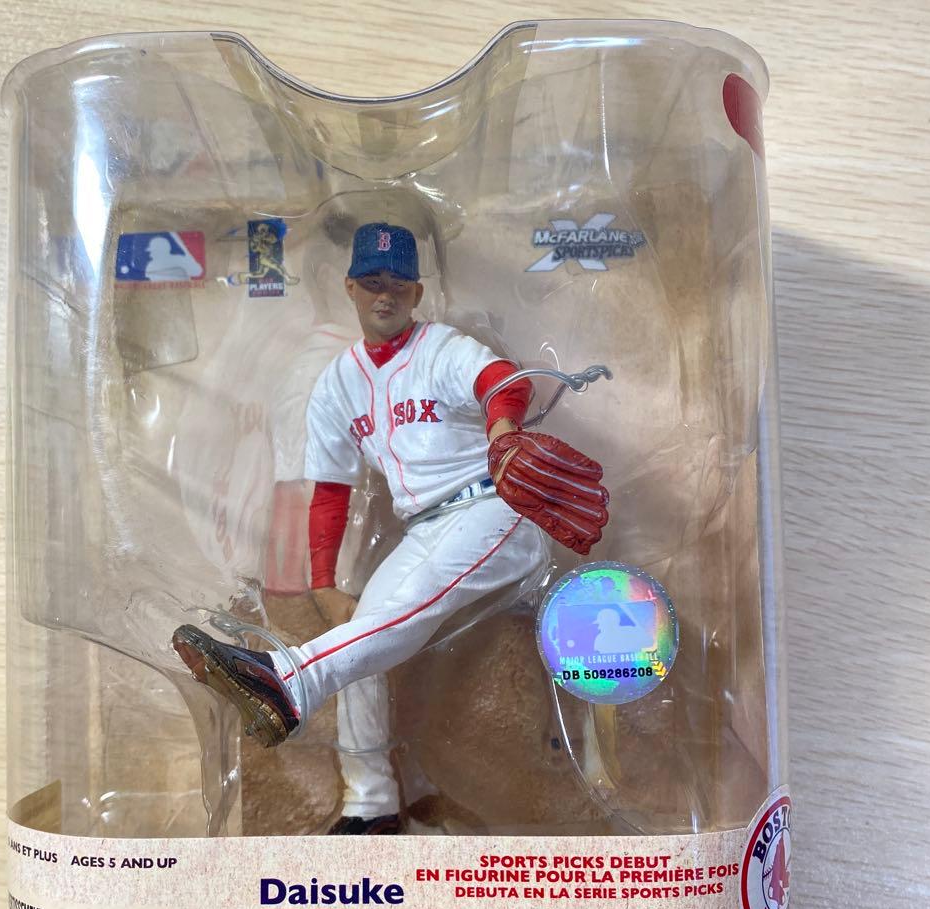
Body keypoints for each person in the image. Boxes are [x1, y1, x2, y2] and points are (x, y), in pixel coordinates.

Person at [172, 222, 608, 834]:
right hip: (424, 529)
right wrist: (323, 583)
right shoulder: (337, 384)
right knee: (366, 633)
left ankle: (290, 679)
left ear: (416, 294)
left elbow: (501, 382)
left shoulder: (439, 347)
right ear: (350, 288)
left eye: (399, 285)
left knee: (404, 613)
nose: (386, 295)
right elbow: (330, 492)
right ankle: (371, 801)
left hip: (496, 510)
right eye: (373, 282)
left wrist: (504, 430)